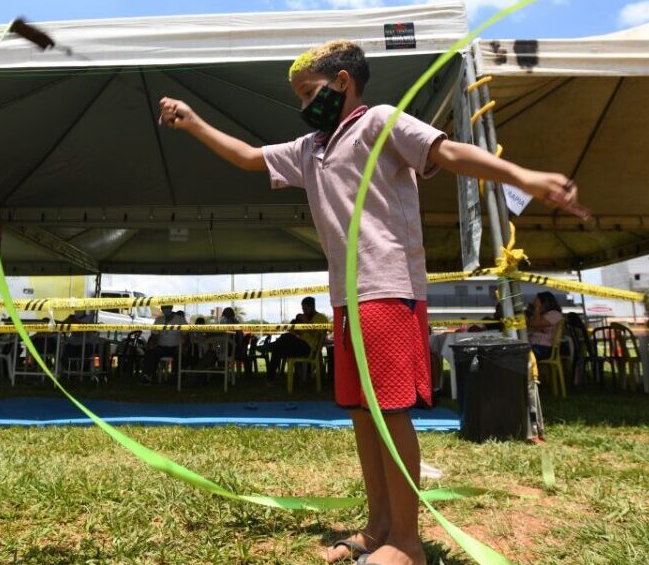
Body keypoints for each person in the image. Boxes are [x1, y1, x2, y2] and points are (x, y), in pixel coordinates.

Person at [159, 39, 583, 565]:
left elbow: (448, 152)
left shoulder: (381, 121)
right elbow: (248, 157)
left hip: (388, 289)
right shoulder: (311, 148)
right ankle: (378, 525)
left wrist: (523, 176)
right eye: (298, 97)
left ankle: (406, 542)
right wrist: (193, 120)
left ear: (343, 82)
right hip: (346, 298)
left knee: (388, 413)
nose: (303, 105)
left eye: (310, 92)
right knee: (363, 414)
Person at [141, 309, 185, 383]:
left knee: (180, 355)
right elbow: (155, 337)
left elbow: (186, 339)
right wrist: (152, 344)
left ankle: (175, 376)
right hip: (163, 347)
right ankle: (147, 375)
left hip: (176, 348)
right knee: (151, 352)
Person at [527, 292, 565, 361]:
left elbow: (535, 324)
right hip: (534, 345)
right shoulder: (539, 316)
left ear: (544, 303)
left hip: (544, 347)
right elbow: (530, 328)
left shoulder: (555, 314)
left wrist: (537, 308)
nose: (534, 303)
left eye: (537, 301)